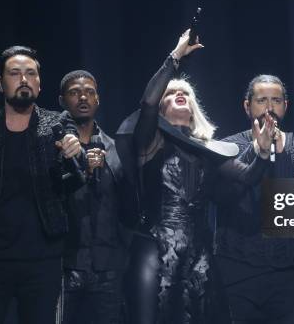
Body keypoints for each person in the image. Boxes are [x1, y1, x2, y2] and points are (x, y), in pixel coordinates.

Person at [116, 29, 274, 324]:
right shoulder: (151, 141)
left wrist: (263, 153)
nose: (179, 95)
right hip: (156, 250)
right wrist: (176, 58)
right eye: (171, 93)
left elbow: (248, 177)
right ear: (162, 108)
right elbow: (147, 104)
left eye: (185, 94)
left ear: (193, 110)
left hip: (199, 254)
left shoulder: (206, 151)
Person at [0, 46, 83, 324]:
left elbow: (75, 183)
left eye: (30, 74)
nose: (23, 79)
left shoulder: (58, 124)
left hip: (43, 260)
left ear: (39, 83)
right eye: (15, 73)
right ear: (0, 83)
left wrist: (73, 155)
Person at [215, 74, 294, 324]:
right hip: (237, 275)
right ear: (247, 106)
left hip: (289, 279)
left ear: (286, 106)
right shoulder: (227, 147)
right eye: (262, 100)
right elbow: (221, 197)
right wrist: (259, 152)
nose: (269, 107)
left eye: (276, 100)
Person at [58, 70, 130, 324]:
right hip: (64, 267)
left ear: (98, 100)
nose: (83, 97)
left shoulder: (114, 149)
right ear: (62, 101)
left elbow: (126, 206)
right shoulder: (51, 147)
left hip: (107, 267)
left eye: (89, 91)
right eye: (75, 92)